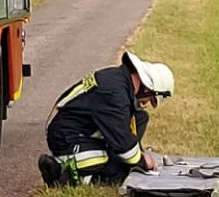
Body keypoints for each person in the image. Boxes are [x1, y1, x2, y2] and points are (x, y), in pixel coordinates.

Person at [38, 52, 174, 187]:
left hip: (84, 129)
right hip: (67, 137)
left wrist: (137, 154)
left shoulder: (120, 82)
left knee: (140, 117)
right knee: (115, 171)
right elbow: (123, 143)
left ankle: (85, 167)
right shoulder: (114, 95)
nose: (145, 103)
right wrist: (142, 161)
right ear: (147, 88)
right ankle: (60, 175)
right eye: (150, 99)